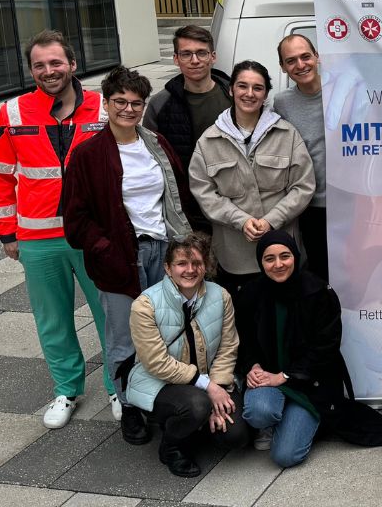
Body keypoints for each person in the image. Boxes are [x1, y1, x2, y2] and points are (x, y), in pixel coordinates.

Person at [0, 29, 115, 429]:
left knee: (111, 314)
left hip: (94, 235)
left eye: (55, 62)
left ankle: (118, 385)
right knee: (53, 318)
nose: (48, 70)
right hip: (38, 238)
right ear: (31, 70)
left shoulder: (104, 108)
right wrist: (7, 232)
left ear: (72, 65)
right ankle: (67, 389)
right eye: (39, 65)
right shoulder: (13, 113)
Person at [62, 66, 200, 444]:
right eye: (119, 101)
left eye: (135, 103)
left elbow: (178, 196)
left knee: (168, 332)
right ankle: (131, 409)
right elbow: (74, 221)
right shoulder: (88, 154)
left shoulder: (155, 142)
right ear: (105, 104)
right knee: (124, 338)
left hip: (164, 252)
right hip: (119, 257)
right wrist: (105, 249)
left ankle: (163, 400)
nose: (128, 109)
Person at [188, 60, 315, 296]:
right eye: (242, 86)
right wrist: (240, 220)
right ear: (231, 89)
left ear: (266, 94)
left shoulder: (287, 134)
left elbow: (303, 186)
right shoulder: (208, 141)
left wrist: (272, 221)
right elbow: (203, 192)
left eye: (257, 88)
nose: (249, 94)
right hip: (234, 255)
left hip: (282, 250)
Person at [126, 234, 249, 477]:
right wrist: (209, 388)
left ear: (206, 265)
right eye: (182, 263)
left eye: (197, 263)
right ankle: (171, 447)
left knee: (237, 437)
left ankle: (200, 423)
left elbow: (228, 346)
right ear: (168, 268)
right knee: (196, 405)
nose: (190, 270)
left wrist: (220, 386)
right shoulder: (145, 305)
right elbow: (157, 363)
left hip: (210, 379)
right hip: (161, 382)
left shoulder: (220, 296)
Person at [236, 229, 345, 467]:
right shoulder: (251, 293)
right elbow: (244, 339)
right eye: (269, 258)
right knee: (259, 412)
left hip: (309, 384)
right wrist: (252, 365)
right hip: (267, 375)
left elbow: (326, 347)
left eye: (285, 256)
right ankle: (273, 421)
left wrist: (284, 376)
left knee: (285, 457)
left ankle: (299, 418)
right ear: (260, 262)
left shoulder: (319, 292)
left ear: (295, 256)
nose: (278, 264)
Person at [273, 34, 332, 282]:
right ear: (283, 67)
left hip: (352, 203)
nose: (300, 65)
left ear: (317, 57)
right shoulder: (282, 103)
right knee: (319, 272)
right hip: (312, 206)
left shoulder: (341, 89)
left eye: (305, 56)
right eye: (291, 60)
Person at [143, 25, 233, 176]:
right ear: (176, 59)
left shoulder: (234, 96)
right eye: (186, 54)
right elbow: (151, 154)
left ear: (213, 57)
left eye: (201, 53)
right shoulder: (159, 104)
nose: (195, 60)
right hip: (184, 192)